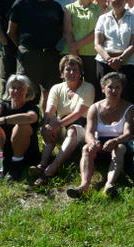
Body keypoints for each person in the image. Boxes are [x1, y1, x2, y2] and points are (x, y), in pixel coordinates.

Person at [67, 72, 134, 198]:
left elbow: (128, 133)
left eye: (117, 87)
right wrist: (92, 142)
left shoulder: (129, 108)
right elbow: (89, 132)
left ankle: (109, 185)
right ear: (103, 89)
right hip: (100, 145)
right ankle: (84, 186)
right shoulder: (95, 108)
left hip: (120, 145)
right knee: (86, 148)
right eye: (110, 87)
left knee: (119, 149)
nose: (113, 90)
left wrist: (116, 140)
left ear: (122, 89)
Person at [31, 56, 94, 186]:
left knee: (71, 130)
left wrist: (57, 124)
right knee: (49, 125)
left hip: (82, 128)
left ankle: (53, 167)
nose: (72, 73)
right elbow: (49, 111)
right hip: (61, 126)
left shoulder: (88, 88)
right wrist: (46, 125)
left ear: (81, 72)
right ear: (62, 73)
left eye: (75, 70)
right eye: (68, 70)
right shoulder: (56, 88)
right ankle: (42, 165)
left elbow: (78, 112)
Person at [7, 0, 64, 108]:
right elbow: (11, 31)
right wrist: (23, 47)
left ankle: (47, 125)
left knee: (51, 93)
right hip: (29, 54)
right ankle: (24, 124)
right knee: (24, 91)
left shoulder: (55, 7)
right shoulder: (21, 4)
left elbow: (61, 30)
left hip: (50, 54)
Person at [0, 74, 40, 181]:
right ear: (8, 90)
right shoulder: (2, 106)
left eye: (20, 88)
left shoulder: (32, 108)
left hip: (25, 152)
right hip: (2, 147)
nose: (16, 91)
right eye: (13, 88)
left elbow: (30, 117)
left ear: (27, 90)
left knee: (22, 125)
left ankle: (16, 165)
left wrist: (2, 120)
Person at [94, 0, 134, 103]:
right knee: (105, 99)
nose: (117, 0)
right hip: (105, 63)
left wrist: (120, 59)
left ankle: (128, 121)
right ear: (108, 1)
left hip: (129, 63)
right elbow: (98, 44)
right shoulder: (103, 19)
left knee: (127, 98)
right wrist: (109, 60)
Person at [63, 0, 102, 91]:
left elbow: (98, 31)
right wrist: (75, 52)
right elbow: (68, 31)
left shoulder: (98, 9)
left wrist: (77, 45)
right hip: (73, 53)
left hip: (92, 53)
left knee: (92, 86)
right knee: (72, 85)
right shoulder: (69, 8)